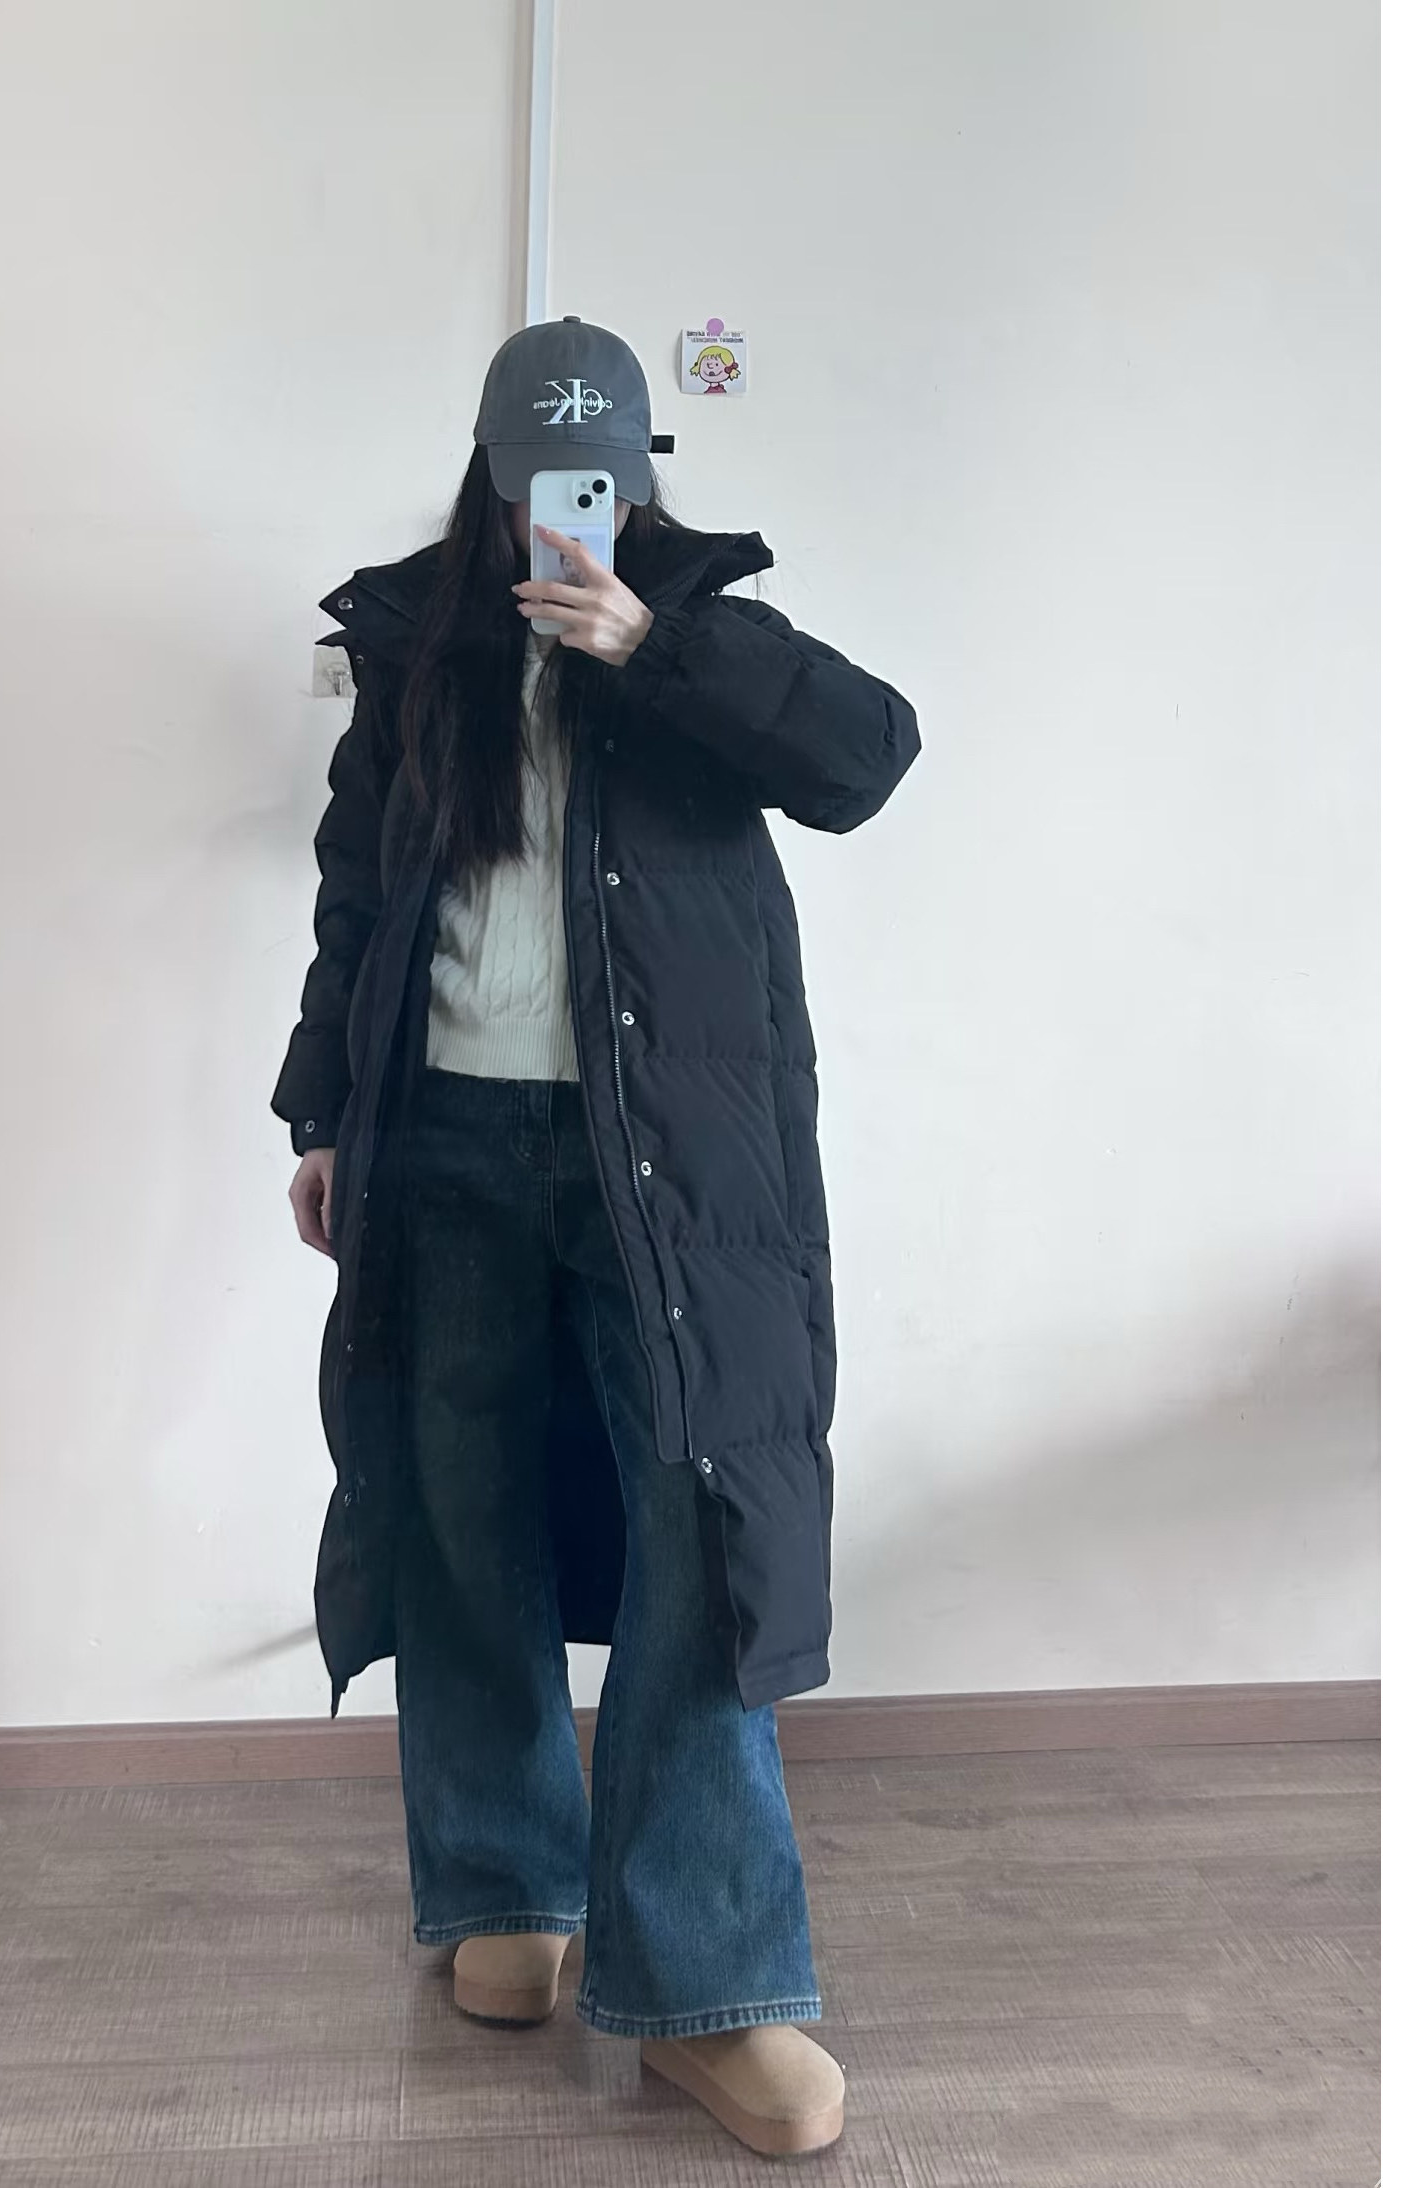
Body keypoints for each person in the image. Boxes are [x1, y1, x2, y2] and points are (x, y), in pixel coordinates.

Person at [271, 316, 921, 2158]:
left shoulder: (702, 623)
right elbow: (355, 891)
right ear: (491, 473)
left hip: (669, 1168)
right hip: (447, 1143)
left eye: (606, 473)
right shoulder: (415, 644)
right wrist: (324, 1110)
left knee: (700, 1540)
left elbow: (870, 756)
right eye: (542, 474)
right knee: (458, 1513)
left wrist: (656, 644)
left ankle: (709, 1988)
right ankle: (504, 1887)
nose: (574, 505)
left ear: (642, 473)